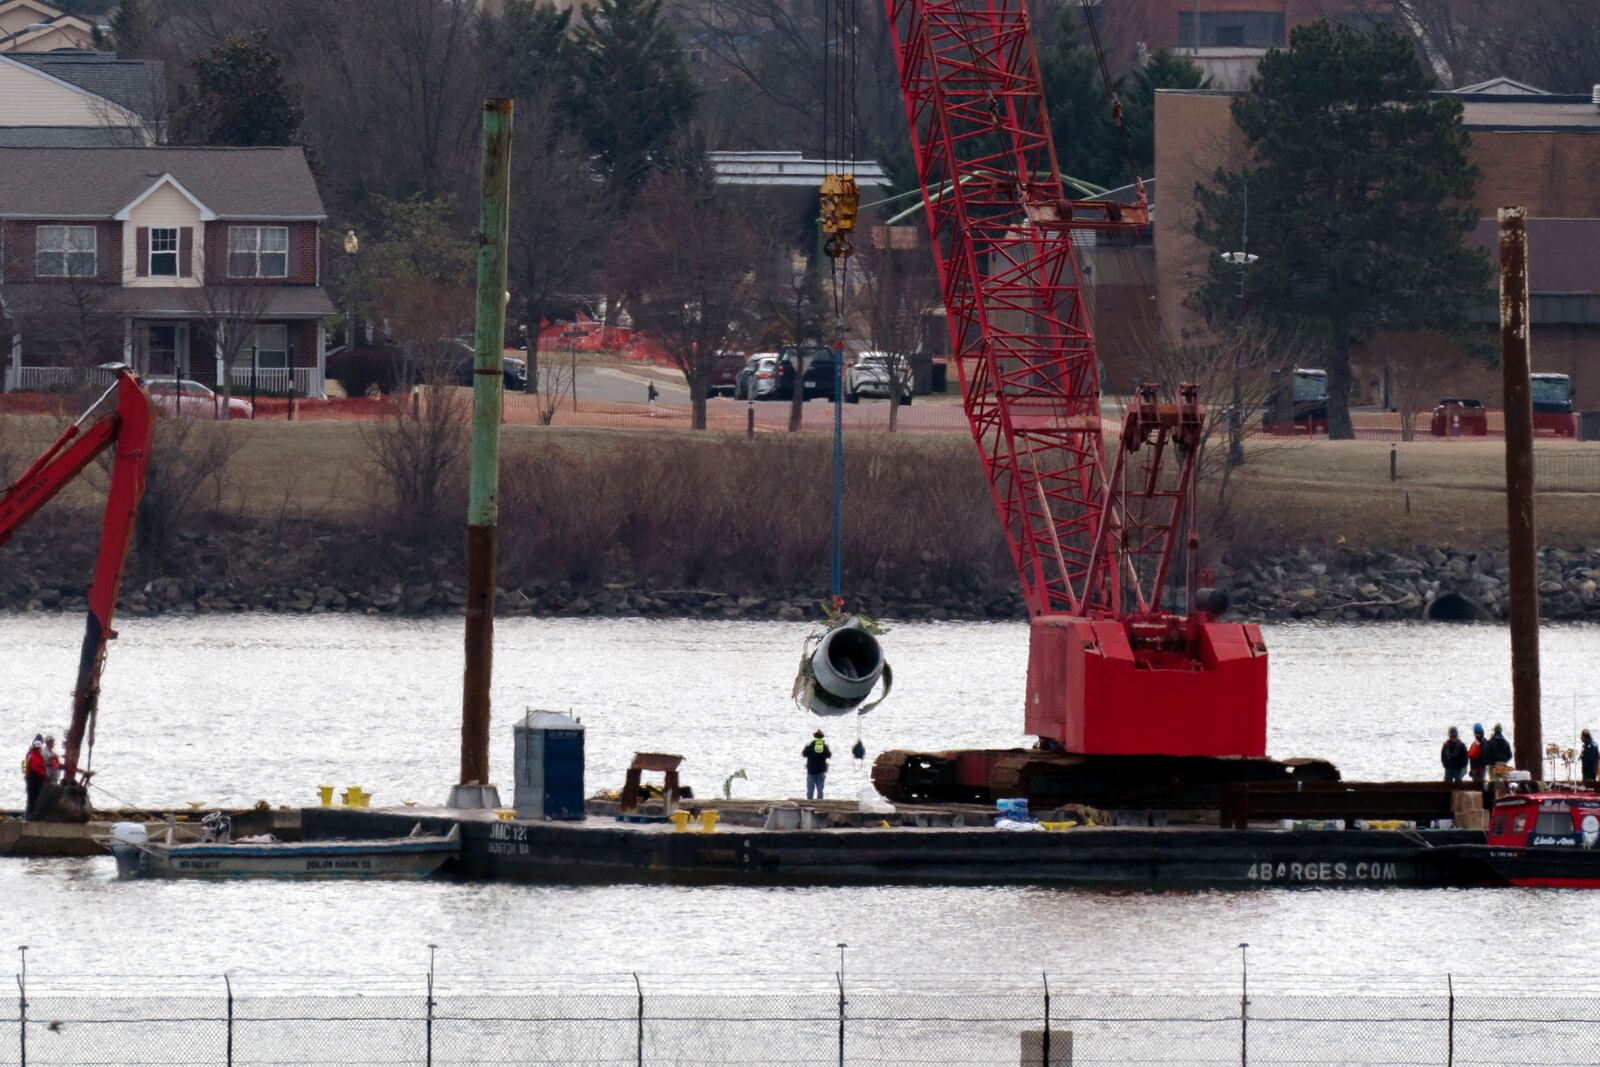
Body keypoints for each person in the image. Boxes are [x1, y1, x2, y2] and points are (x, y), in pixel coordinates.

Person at [21, 735, 46, 819]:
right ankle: (31, 815)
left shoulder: (30, 753)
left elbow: (24, 764)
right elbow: (36, 767)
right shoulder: (34, 755)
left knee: (31, 797)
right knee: (34, 797)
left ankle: (29, 814)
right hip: (34, 779)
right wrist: (44, 774)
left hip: (29, 777)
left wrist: (25, 774)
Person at [802, 729, 832, 800]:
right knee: (820, 789)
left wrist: (806, 747)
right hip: (821, 770)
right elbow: (829, 755)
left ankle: (809, 803)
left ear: (815, 737)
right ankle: (820, 803)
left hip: (811, 770)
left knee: (810, 790)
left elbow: (804, 754)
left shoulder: (811, 745)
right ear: (822, 737)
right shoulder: (824, 746)